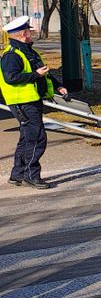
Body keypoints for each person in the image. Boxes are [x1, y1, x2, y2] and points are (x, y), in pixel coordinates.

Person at [1, 16, 68, 189]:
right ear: (23, 33)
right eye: (29, 30)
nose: (31, 32)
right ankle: (31, 175)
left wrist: (58, 86)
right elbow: (11, 78)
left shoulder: (28, 51)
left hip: (31, 100)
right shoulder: (12, 55)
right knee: (37, 138)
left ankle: (18, 175)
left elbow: (42, 72)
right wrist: (35, 75)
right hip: (23, 102)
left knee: (26, 138)